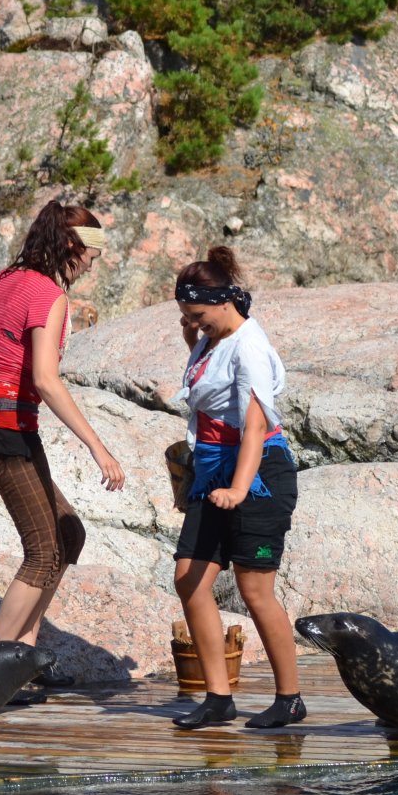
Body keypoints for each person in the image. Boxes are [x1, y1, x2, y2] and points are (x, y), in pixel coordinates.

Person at [0, 199, 125, 686]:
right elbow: (46, 380)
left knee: (67, 533)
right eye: (91, 257)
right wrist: (98, 448)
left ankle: (24, 661)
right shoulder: (49, 295)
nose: (90, 266)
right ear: (72, 246)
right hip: (4, 432)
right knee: (43, 551)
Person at [169, 246, 304, 729]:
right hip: (213, 472)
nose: (193, 324)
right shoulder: (213, 337)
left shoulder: (249, 346)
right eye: (187, 317)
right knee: (189, 579)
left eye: (197, 316)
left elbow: (254, 426)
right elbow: (211, 389)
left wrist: (240, 489)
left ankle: (289, 698)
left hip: (259, 474)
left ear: (223, 302)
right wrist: (194, 338)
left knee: (254, 589)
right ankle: (218, 697)